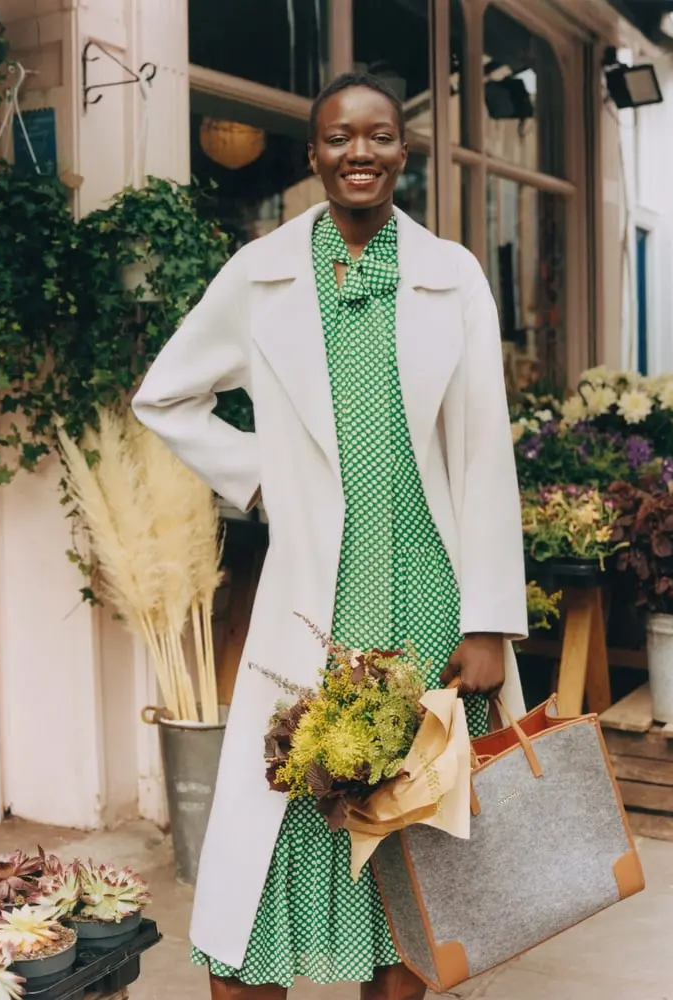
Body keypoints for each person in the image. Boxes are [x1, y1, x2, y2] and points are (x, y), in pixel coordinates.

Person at [133, 71, 527, 1000]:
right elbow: (165, 395)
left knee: (414, 822)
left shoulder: (451, 274)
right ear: (312, 154)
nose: (360, 152)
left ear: (403, 150)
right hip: (316, 597)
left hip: (431, 594)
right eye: (339, 137)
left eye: (379, 136)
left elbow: (481, 457)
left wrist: (488, 620)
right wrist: (257, 475)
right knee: (288, 809)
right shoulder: (260, 274)